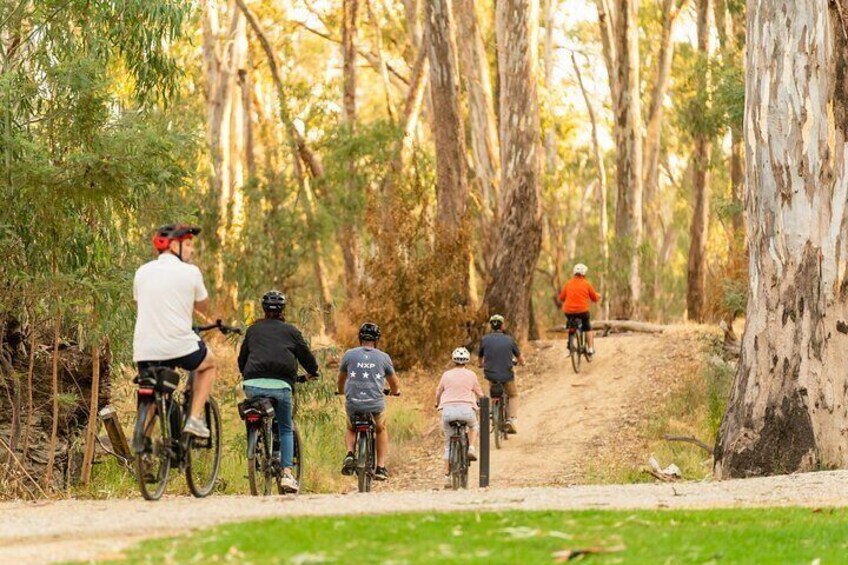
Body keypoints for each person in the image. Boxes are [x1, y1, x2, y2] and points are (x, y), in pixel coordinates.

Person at [133, 224, 217, 438]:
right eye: (187, 244)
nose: (191, 250)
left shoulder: (142, 272)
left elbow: (142, 303)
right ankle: (195, 418)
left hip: (144, 350)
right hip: (179, 346)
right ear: (173, 246)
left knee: (151, 393)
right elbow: (203, 307)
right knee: (210, 364)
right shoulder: (190, 272)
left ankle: (143, 452)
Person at [237, 290, 320, 493]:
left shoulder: (253, 330)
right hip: (282, 386)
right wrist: (312, 372)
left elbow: (242, 359)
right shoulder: (291, 331)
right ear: (283, 309)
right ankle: (287, 474)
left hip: (253, 384)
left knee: (253, 412)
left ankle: (256, 448)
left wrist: (249, 376)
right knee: (285, 428)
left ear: (263, 309)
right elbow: (307, 358)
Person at [337, 322, 400, 481]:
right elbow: (394, 383)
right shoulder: (383, 357)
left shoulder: (349, 354)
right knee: (380, 428)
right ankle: (380, 467)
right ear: (377, 339)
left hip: (354, 403)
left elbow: (341, 379)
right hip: (375, 404)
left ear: (360, 338)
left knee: (351, 428)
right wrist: (395, 392)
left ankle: (350, 453)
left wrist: (341, 391)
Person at [435, 347, 484, 489]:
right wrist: (482, 400)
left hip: (448, 412)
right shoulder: (471, 375)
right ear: (467, 360)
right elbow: (479, 393)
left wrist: (437, 403)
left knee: (448, 445)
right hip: (467, 411)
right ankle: (471, 448)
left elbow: (438, 392)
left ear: (453, 360)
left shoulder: (446, 375)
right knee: (474, 426)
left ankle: (447, 477)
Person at [478, 314, 525, 434]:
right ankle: (510, 419)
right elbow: (520, 358)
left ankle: (492, 411)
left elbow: (480, 357)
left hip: (491, 374)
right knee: (513, 395)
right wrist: (521, 363)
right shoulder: (509, 340)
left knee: (491, 391)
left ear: (491, 326)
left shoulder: (485, 339)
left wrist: (481, 364)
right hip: (506, 374)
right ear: (502, 326)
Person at [557, 263, 602, 356]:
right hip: (582, 311)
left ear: (574, 273)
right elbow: (594, 298)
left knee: (571, 325)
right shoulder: (586, 284)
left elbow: (561, 298)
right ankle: (590, 349)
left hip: (569, 312)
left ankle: (569, 348)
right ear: (584, 274)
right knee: (588, 327)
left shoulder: (568, 283)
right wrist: (598, 296)